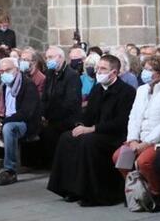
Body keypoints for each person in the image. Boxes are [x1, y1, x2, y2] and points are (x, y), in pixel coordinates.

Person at [47, 54, 136, 207]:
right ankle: (69, 189)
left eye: (103, 69)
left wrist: (92, 128)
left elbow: (121, 122)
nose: (98, 72)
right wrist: (80, 125)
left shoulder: (126, 92)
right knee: (67, 138)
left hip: (114, 135)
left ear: (114, 72)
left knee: (88, 142)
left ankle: (92, 193)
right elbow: (88, 115)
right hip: (95, 131)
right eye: (98, 68)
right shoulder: (97, 89)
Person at [112, 55, 160, 212]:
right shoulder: (142, 90)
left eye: (149, 70)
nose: (144, 73)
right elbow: (134, 116)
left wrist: (145, 143)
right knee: (119, 157)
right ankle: (138, 190)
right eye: (144, 69)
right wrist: (132, 139)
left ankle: (159, 193)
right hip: (139, 139)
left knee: (144, 162)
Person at [37, 46, 82, 166]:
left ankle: (57, 165)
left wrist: (49, 117)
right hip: (51, 116)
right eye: (46, 57)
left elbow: (70, 102)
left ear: (61, 57)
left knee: (50, 131)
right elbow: (45, 97)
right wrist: (42, 114)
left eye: (50, 57)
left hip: (67, 118)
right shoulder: (50, 73)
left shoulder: (72, 75)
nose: (47, 60)